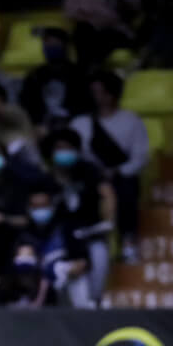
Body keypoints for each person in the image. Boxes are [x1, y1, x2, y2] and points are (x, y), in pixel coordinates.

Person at [72, 71, 148, 261]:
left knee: (128, 185)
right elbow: (72, 155)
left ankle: (128, 241)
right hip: (88, 178)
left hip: (119, 177)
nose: (95, 96)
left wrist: (117, 171)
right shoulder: (80, 123)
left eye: (100, 91)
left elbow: (140, 157)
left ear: (112, 94)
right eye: (92, 92)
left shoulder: (131, 120)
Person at [44, 127, 114, 306]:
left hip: (90, 232)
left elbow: (107, 194)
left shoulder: (89, 171)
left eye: (68, 148)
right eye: (59, 148)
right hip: (61, 239)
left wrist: (108, 221)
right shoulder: (47, 178)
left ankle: (96, 300)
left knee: (98, 260)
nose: (63, 152)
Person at [18, 27, 90, 129]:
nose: (50, 46)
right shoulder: (35, 75)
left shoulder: (79, 74)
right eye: (47, 43)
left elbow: (85, 105)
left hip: (73, 126)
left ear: (64, 46)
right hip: (40, 128)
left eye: (55, 43)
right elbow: (26, 104)